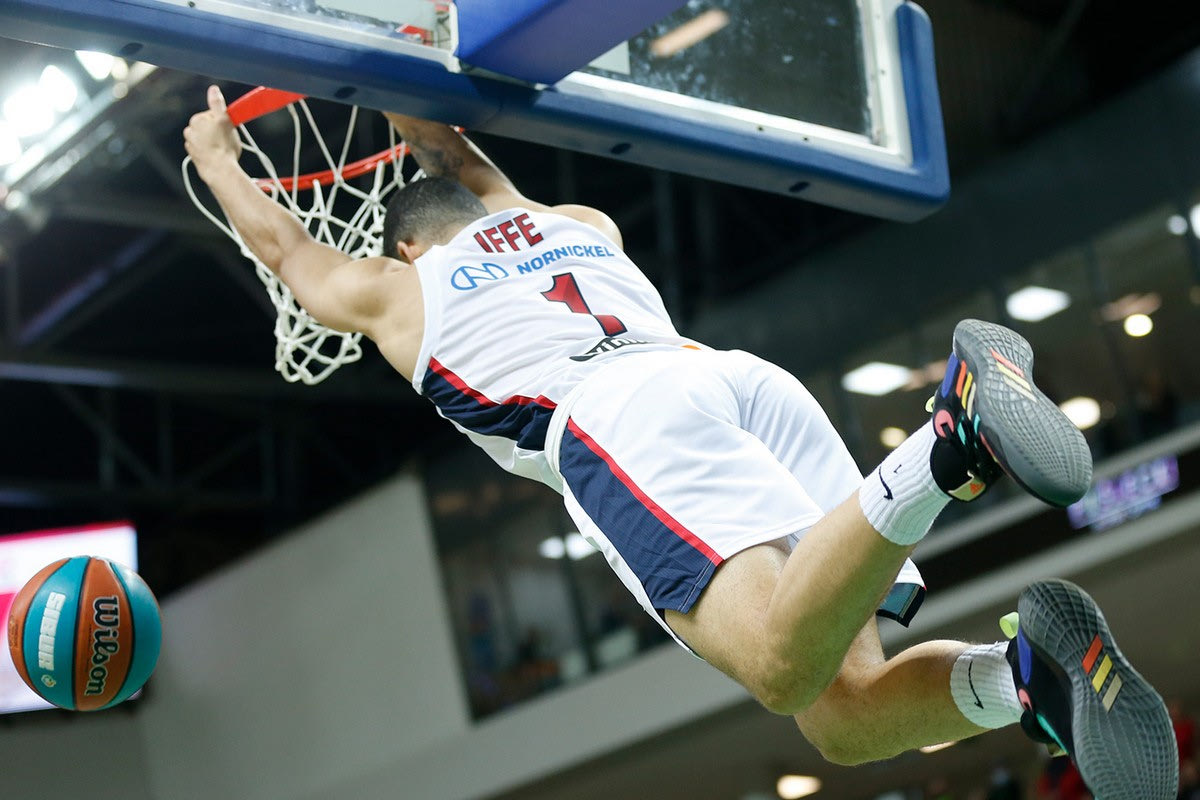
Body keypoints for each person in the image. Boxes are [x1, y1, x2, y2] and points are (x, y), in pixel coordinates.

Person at [184, 86, 1177, 798]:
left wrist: (217, 159)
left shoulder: (395, 290)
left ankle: (950, 440)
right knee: (841, 714)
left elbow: (286, 249)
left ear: (402, 244)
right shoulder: (569, 220)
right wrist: (393, 72)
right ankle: (1028, 679)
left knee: (779, 668)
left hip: (617, 419)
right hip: (735, 381)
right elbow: (454, 153)